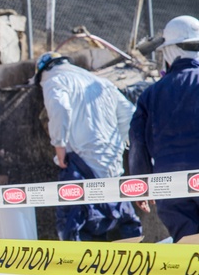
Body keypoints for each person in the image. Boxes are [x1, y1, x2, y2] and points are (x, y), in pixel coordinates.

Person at [35, 52, 141, 241]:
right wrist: (120, 147)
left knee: (75, 225)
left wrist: (59, 147)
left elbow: (60, 107)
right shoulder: (100, 83)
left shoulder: (53, 80)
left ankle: (83, 268)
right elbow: (129, 114)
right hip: (112, 169)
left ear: (44, 72)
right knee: (120, 222)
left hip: (81, 167)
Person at [129, 16, 199, 241]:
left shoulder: (151, 94)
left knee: (188, 251)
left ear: (169, 51)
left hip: (168, 185)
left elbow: (137, 142)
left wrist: (140, 183)